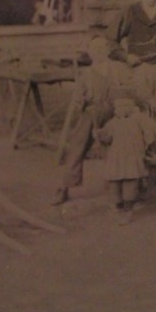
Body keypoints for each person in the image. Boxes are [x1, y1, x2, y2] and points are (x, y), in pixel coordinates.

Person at [51, 33, 122, 206]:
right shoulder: (86, 74)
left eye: (102, 47)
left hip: (113, 113)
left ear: (107, 50)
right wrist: (79, 101)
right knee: (77, 147)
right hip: (90, 113)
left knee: (120, 144)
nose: (99, 51)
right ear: (89, 52)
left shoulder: (116, 69)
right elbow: (77, 99)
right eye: (95, 48)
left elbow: (127, 89)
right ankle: (65, 187)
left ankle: (119, 188)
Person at [96, 92, 156, 223]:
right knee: (114, 182)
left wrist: (148, 137)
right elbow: (106, 136)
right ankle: (117, 206)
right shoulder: (113, 123)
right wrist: (99, 134)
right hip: (116, 157)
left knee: (130, 182)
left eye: (125, 105)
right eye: (118, 107)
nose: (121, 109)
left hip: (132, 156)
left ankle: (127, 209)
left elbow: (153, 128)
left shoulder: (139, 119)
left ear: (132, 107)